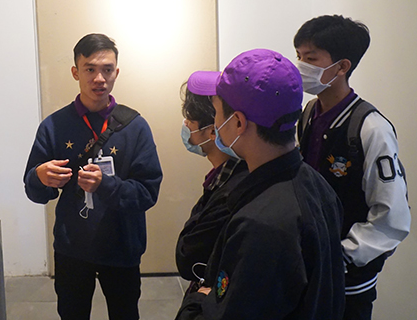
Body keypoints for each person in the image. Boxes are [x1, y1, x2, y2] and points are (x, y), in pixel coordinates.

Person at [175, 49, 345, 320]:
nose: (217, 124)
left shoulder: (260, 224)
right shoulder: (317, 185)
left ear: (238, 122)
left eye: (217, 113)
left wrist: (198, 300)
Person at [24, 33, 163, 320]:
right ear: (76, 72)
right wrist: (40, 177)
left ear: (117, 73)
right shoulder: (53, 126)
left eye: (107, 70)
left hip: (122, 247)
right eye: (90, 69)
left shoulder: (135, 127)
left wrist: (106, 185)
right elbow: (35, 191)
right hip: (71, 248)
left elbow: (148, 193)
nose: (99, 78)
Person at [293, 15, 411, 320]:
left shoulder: (371, 128)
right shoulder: (308, 114)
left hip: (348, 282)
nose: (300, 66)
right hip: (310, 272)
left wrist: (342, 256)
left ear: (342, 66)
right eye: (298, 56)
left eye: (310, 58)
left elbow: (391, 217)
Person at [175, 74, 248, 293]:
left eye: (190, 120)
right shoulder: (220, 176)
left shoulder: (233, 188)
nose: (185, 125)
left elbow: (188, 257)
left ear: (213, 130)